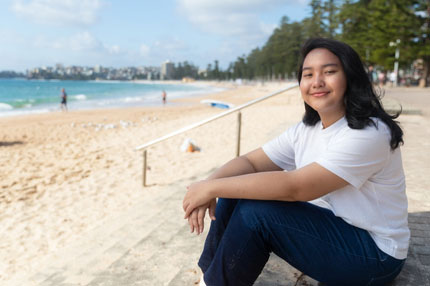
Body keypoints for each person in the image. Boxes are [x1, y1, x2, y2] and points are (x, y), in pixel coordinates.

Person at [183, 38, 409, 286]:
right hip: (339, 231)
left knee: (256, 213)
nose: (317, 82)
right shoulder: (307, 129)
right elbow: (251, 162)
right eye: (308, 74)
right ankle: (209, 276)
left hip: (376, 256)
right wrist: (208, 185)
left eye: (329, 72)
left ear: (351, 77)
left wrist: (211, 188)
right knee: (235, 190)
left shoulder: (369, 133)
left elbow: (295, 187)